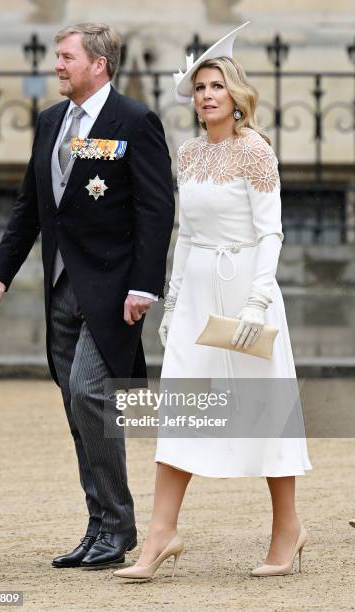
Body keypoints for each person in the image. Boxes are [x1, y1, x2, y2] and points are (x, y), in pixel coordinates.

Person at [114, 22, 311, 581]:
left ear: (235, 93)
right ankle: (160, 536)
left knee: (264, 411)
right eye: (199, 87)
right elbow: (187, 235)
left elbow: (271, 232)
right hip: (198, 292)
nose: (206, 95)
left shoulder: (256, 152)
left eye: (216, 86)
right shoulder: (190, 154)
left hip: (247, 290)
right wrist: (173, 304)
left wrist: (256, 302)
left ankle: (287, 530)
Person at [0, 23, 174, 570]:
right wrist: (1, 272)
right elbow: (30, 207)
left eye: (66, 57)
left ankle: (120, 524)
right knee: (75, 405)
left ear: (99, 64)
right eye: (56, 57)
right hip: (61, 289)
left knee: (92, 393)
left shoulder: (134, 121)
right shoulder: (50, 122)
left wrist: (144, 285)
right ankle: (98, 527)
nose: (57, 65)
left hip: (114, 291)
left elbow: (156, 210)